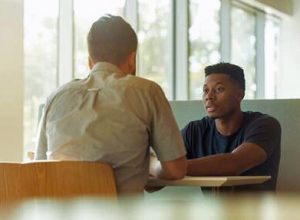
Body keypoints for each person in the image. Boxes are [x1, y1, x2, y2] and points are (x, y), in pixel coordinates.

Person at [35, 14, 187, 195]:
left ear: (90, 62)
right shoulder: (147, 91)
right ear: (132, 59)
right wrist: (151, 164)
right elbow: (176, 170)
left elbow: (39, 169)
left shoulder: (56, 97)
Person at [181, 62, 281, 191]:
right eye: (206, 90)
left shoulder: (265, 125)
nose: (209, 96)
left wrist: (171, 168)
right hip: (210, 210)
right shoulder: (194, 131)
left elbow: (234, 163)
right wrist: (155, 166)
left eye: (219, 89)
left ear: (239, 95)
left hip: (257, 210)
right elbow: (152, 183)